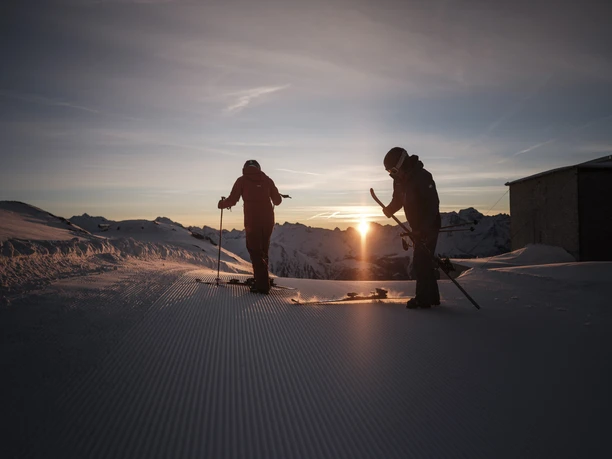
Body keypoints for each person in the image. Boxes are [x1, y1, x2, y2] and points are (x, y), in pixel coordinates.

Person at [382, 147, 441, 309]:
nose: (392, 174)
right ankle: (432, 298)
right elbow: (398, 200)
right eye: (389, 172)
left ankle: (423, 299)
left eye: (393, 170)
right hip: (416, 227)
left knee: (420, 261)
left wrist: (424, 228)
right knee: (425, 260)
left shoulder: (423, 177)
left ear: (402, 163)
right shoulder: (399, 180)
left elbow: (432, 205)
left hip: (429, 225)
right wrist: (389, 209)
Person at [218, 160, 282, 294]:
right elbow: (277, 201)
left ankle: (262, 285)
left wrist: (222, 204)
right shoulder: (267, 180)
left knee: (255, 250)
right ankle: (262, 278)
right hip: (268, 219)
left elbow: (233, 199)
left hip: (252, 220)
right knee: (264, 248)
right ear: (259, 168)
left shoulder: (241, 180)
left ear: (245, 168)